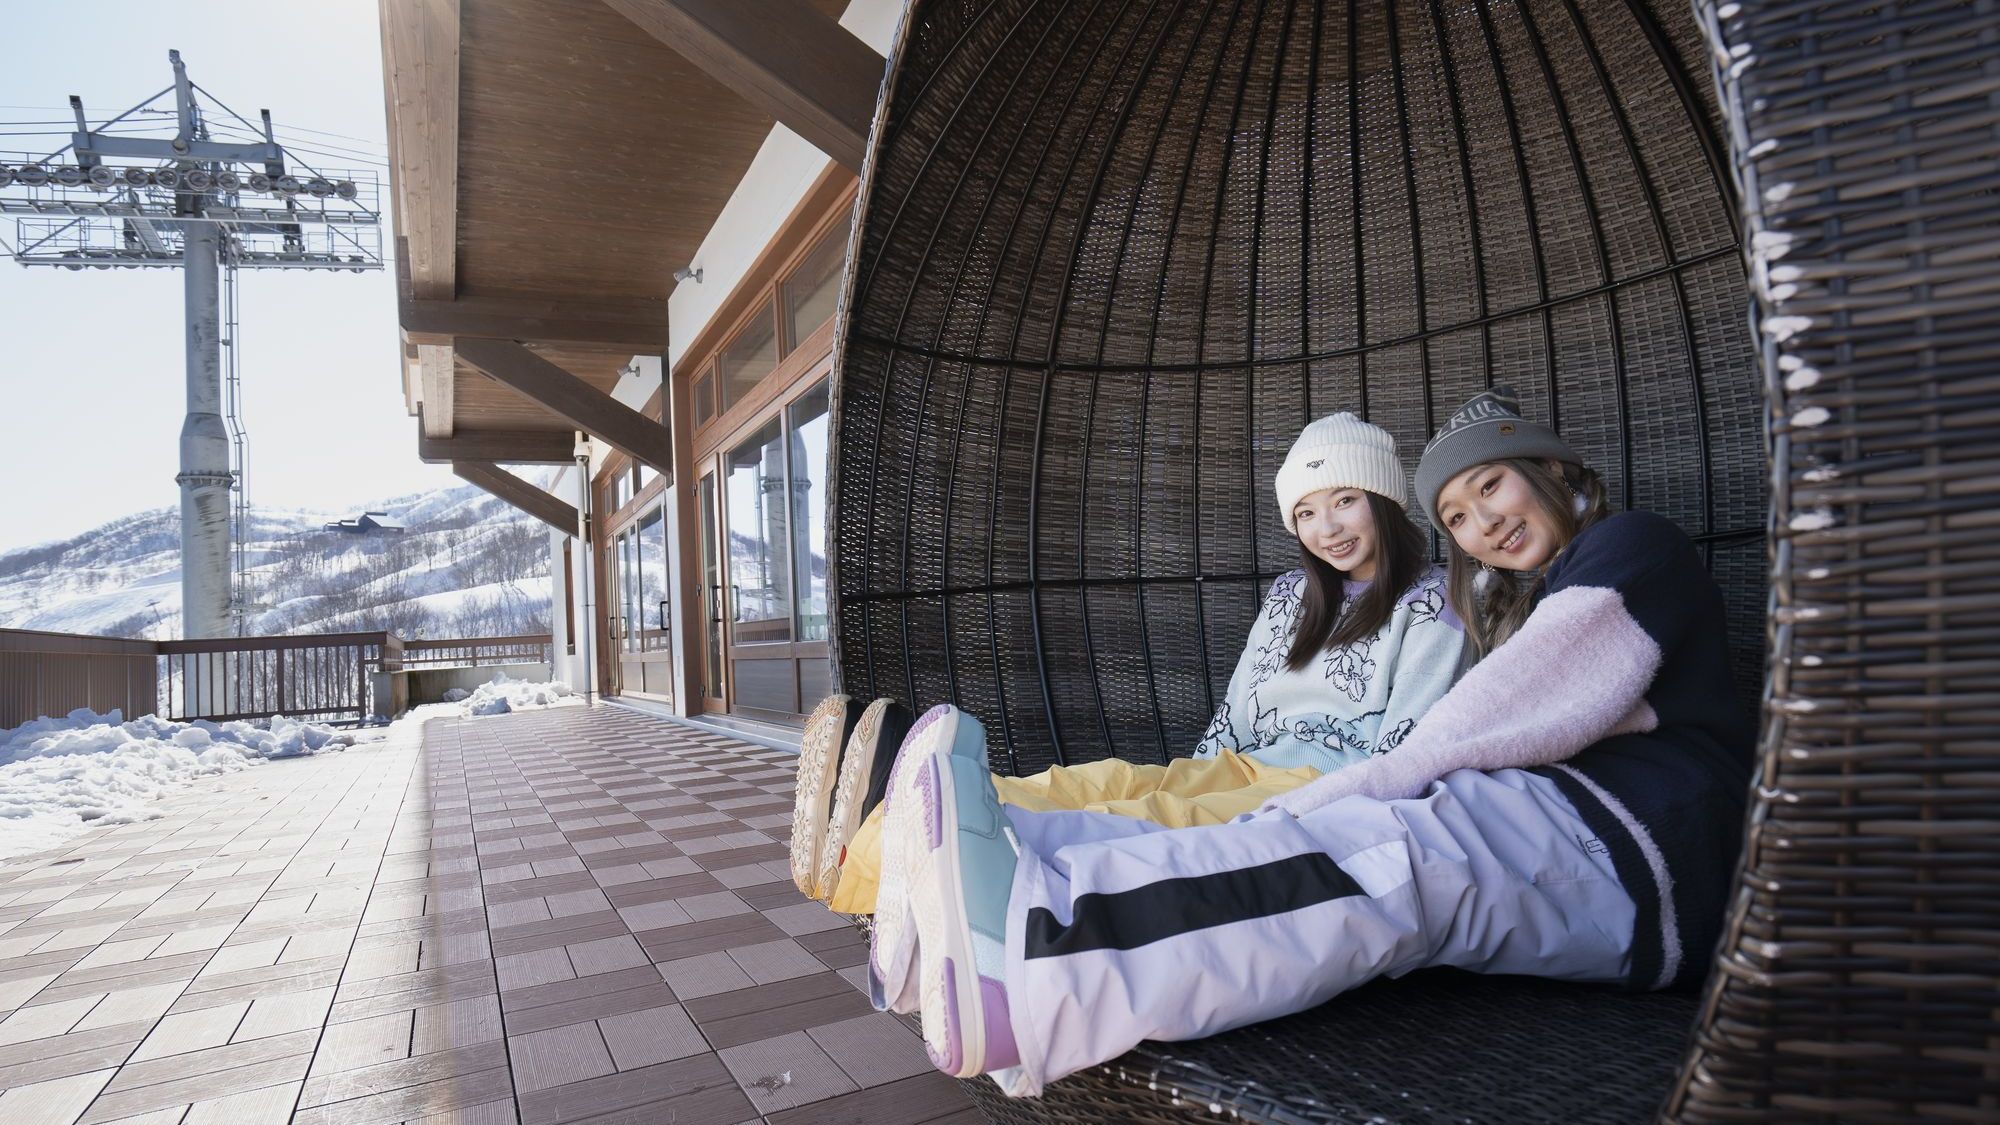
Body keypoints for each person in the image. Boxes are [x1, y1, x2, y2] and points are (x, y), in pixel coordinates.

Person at [878, 385, 1756, 1094]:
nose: (1481, 522)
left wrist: (1352, 786)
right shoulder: (1498, 602)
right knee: (1191, 804)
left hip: (1648, 848)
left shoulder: (1633, 548)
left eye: (1491, 485)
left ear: (1553, 467)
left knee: (1389, 855)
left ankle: (1036, 973)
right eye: (1456, 513)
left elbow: (1508, 709)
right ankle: (955, 906)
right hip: (1571, 827)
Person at [817, 413, 1466, 921]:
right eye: (1305, 511)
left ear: (1385, 499)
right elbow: (1240, 707)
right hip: (1247, 763)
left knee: (1144, 820)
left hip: (1323, 786)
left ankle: (879, 856)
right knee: (1105, 783)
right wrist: (1195, 774)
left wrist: (1306, 810)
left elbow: (1409, 748)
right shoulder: (1292, 595)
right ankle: (884, 820)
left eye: (1345, 499)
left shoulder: (1436, 602)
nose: (1327, 527)